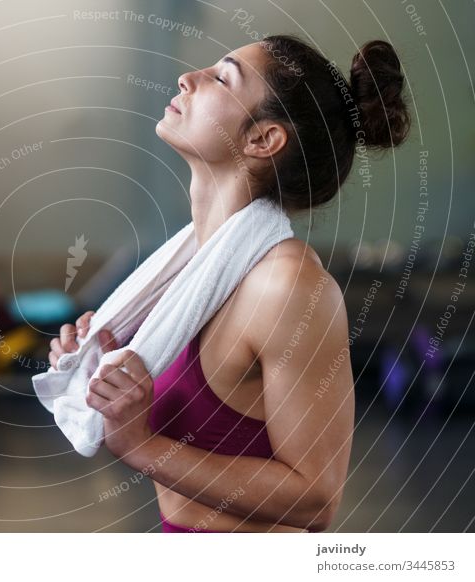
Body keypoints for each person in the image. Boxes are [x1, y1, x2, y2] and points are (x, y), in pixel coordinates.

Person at [48, 34, 411, 533]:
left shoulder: (288, 288)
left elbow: (315, 499)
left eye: (221, 78)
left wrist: (142, 448)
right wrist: (100, 363)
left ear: (262, 139)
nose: (187, 78)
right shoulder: (183, 280)